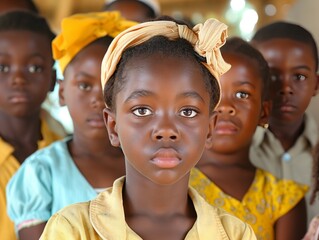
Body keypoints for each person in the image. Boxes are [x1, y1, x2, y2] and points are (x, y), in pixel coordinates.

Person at [40, 17, 257, 239]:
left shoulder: (235, 234)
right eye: (142, 111)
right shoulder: (72, 229)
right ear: (113, 127)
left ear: (209, 129)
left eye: (187, 112)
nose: (166, 129)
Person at [6, 11, 136, 240]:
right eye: (85, 85)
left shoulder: (147, 165)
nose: (99, 99)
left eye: (111, 85)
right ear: (63, 92)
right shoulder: (40, 173)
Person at [190, 37, 308, 240]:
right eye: (214, 93)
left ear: (263, 112)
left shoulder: (282, 199)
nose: (225, 106)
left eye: (242, 94)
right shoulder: (171, 185)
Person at [0, 10, 66, 240]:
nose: (18, 79)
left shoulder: (69, 152)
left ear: (52, 79)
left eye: (35, 68)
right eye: (2, 68)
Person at [249, 21, 319, 224]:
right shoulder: (230, 152)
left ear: (316, 84)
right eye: (271, 75)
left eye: (299, 76)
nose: (285, 88)